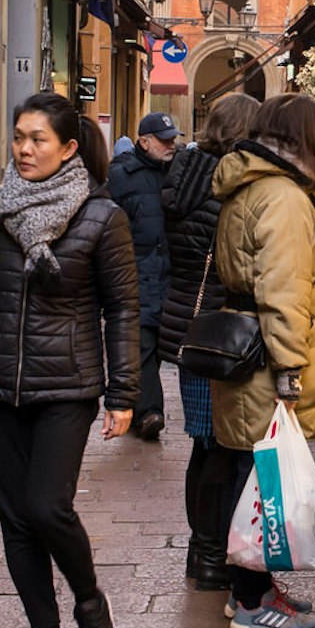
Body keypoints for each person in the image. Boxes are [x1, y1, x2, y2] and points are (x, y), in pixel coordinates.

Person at [0, 92, 138, 628]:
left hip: (68, 385)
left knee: (46, 506)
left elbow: (123, 308)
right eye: (18, 137)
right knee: (15, 519)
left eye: (38, 140)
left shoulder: (102, 218)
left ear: (69, 148)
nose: (24, 149)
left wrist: (124, 392)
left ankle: (88, 603)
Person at [210, 94, 315, 628]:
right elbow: (283, 293)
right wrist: (291, 372)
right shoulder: (282, 198)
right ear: (301, 137)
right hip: (266, 362)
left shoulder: (256, 187)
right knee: (260, 482)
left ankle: (253, 592)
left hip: (248, 357)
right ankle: (252, 602)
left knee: (251, 476)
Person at [156, 92, 260, 592]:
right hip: (218, 331)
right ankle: (211, 554)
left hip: (185, 327)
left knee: (204, 446)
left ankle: (203, 552)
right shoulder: (226, 187)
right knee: (217, 447)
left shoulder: (185, 172)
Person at [107, 110, 180, 441]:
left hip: (171, 273)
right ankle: (151, 411)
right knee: (143, 343)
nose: (171, 145)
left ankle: (141, 409)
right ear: (144, 141)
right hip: (138, 271)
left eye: (173, 139)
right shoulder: (122, 175)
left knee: (161, 343)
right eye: (164, 141)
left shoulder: (177, 171)